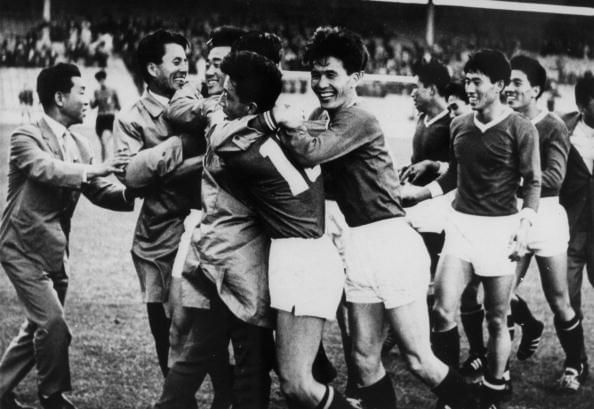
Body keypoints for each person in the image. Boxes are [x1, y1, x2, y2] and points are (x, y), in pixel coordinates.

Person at [260, 26, 472, 409]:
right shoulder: (321, 117)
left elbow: (308, 153)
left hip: (390, 243)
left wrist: (279, 117)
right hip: (357, 245)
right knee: (364, 362)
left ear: (355, 78)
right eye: (316, 74)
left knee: (419, 360)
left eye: (331, 75)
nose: (321, 83)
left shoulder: (360, 119)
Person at [403, 49, 541, 409]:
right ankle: (450, 392)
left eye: (477, 81)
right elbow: (453, 175)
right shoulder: (459, 125)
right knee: (442, 310)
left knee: (497, 319)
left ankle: (495, 389)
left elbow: (533, 183)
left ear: (498, 85)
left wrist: (524, 226)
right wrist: (421, 192)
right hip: (461, 226)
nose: (470, 88)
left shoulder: (520, 129)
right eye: (467, 81)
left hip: (499, 230)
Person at [214, 50, 350, 409]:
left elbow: (219, 142)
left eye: (227, 96)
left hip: (301, 260)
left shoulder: (247, 153)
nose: (221, 102)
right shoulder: (300, 132)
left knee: (298, 385)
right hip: (308, 255)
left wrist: (268, 118)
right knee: (297, 378)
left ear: (251, 107)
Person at [0, 63, 133, 409]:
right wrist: (93, 169)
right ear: (60, 98)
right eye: (82, 91)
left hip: (55, 251)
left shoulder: (79, 143)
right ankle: (52, 395)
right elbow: (47, 169)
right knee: (53, 324)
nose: (87, 98)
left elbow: (101, 190)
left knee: (38, 328)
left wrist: (135, 190)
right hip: (20, 246)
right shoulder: (25, 136)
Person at [112, 29, 205, 379]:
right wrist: (190, 147)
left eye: (186, 60)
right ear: (152, 68)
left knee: (217, 329)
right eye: (176, 61)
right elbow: (132, 177)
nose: (185, 68)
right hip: (158, 237)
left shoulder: (201, 101)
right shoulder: (130, 118)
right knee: (165, 331)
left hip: (210, 228)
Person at [505, 55, 586, 391]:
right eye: (507, 82)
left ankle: (575, 364)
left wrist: (506, 179)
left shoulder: (552, 126)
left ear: (535, 90)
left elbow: (552, 178)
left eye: (518, 83)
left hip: (547, 216)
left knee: (559, 300)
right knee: (501, 295)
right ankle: (501, 371)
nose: (509, 88)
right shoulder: (503, 121)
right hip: (512, 216)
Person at [560, 71, 594, 384]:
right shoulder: (561, 127)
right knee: (567, 300)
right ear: (584, 104)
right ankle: (576, 362)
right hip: (570, 229)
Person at [90, 70, 120, 161]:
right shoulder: (96, 92)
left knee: (105, 141)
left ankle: (106, 163)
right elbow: (94, 105)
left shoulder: (112, 91)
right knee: (103, 143)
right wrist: (91, 102)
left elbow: (119, 106)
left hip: (110, 118)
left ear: (105, 79)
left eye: (102, 79)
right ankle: (104, 164)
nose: (101, 81)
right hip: (100, 119)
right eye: (99, 80)